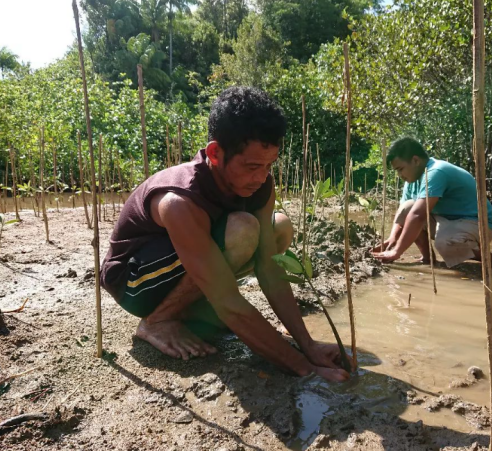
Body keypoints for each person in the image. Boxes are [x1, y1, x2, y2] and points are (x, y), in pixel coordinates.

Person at [100, 87, 350, 382]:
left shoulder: (261, 185)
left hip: (180, 267)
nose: (262, 177)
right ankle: (157, 321)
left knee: (278, 226)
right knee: (241, 230)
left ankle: (193, 310)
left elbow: (270, 268)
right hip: (135, 282)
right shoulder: (179, 201)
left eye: (269, 165)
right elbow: (228, 299)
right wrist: (306, 370)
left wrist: (309, 346)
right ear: (216, 154)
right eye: (252, 166)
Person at [372, 137, 492, 272]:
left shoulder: (436, 172)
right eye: (396, 171)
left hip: (479, 223)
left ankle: (487, 258)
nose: (399, 174)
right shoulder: (411, 181)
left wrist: (397, 251)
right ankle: (427, 258)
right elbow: (404, 212)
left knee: (444, 243)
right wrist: (392, 239)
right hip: (448, 220)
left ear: (416, 160)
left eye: (401, 169)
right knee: (408, 207)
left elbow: (418, 215)